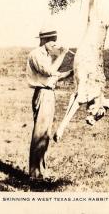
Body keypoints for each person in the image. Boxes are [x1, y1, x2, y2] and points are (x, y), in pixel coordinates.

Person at [26, 28, 72, 179]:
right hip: (43, 93)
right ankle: (35, 175)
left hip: (49, 93)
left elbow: (56, 76)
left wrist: (74, 71)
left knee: (45, 134)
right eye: (53, 40)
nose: (55, 44)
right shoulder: (36, 54)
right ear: (44, 40)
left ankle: (40, 172)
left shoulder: (46, 55)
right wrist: (63, 54)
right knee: (40, 134)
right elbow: (49, 72)